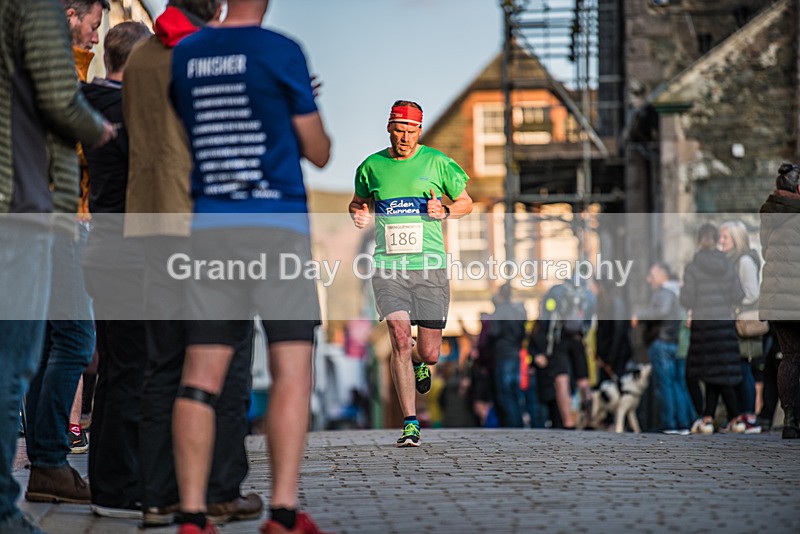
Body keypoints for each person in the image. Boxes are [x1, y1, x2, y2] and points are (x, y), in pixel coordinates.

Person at [169, 0, 331, 532]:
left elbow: (191, 132)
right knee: (291, 368)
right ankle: (283, 514)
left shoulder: (187, 55)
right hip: (276, 227)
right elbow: (319, 150)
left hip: (211, 228)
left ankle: (192, 515)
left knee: (200, 375)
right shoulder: (281, 51)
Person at [123, 1, 263, 526]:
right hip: (209, 224)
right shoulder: (217, 53)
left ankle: (157, 496)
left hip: (151, 224)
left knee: (160, 363)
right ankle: (221, 489)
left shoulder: (137, 58)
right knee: (225, 362)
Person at [0, 0, 112, 530]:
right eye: (92, 25)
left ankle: (46, 462)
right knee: (62, 342)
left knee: (43, 347)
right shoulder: (38, 18)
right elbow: (61, 107)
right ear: (71, 13)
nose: (93, 38)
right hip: (37, 211)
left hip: (41, 211)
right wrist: (102, 130)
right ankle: (32, 475)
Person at [350, 99, 473, 446]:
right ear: (389, 128)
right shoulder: (371, 167)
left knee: (430, 352)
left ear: (420, 130)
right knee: (400, 338)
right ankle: (410, 422)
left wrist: (445, 209)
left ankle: (421, 361)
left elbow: (467, 202)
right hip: (389, 267)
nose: (404, 138)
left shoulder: (437, 162)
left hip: (429, 267)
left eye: (411, 131)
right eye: (399, 130)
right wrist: (358, 213)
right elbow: (358, 202)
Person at [79, 21, 152, 518]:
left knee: (116, 369)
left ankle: (108, 481)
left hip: (104, 247)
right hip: (130, 253)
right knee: (132, 368)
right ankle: (118, 485)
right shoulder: (125, 108)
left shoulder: (89, 102)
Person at [681, 224, 745, 434]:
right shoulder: (727, 264)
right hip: (724, 324)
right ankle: (730, 418)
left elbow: (687, 299)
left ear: (699, 240)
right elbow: (738, 295)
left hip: (702, 326)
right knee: (719, 372)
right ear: (717, 239)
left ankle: (707, 417)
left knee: (699, 373)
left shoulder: (693, 266)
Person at [759, 162, 800, 439]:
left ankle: (790, 419)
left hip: (777, 298)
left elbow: (766, 253)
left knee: (790, 358)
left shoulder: (770, 214)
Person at [632, 262, 690, 433]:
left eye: (652, 275)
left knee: (665, 385)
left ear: (662, 275)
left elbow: (662, 312)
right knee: (674, 384)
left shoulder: (664, 292)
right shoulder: (673, 291)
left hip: (662, 342)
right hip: (671, 342)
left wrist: (639, 315)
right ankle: (682, 423)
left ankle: (670, 424)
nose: (649, 280)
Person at [719, 220, 763, 433]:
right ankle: (740, 416)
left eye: (725, 237)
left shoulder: (743, 260)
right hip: (734, 321)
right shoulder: (731, 260)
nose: (721, 242)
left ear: (736, 239)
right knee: (737, 368)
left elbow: (752, 293)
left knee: (744, 368)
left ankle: (749, 415)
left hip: (743, 322)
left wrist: (732, 303)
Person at [528, 282, 592, 429]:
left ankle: (568, 422)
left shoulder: (555, 292)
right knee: (583, 381)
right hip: (578, 340)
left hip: (559, 340)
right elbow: (589, 318)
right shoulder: (584, 293)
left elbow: (546, 317)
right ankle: (590, 420)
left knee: (562, 380)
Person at [487, 283, 528, 428]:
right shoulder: (518, 311)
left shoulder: (500, 311)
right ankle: (518, 422)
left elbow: (493, 333)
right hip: (514, 353)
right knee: (514, 391)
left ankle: (511, 424)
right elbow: (523, 333)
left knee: (504, 393)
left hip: (502, 354)